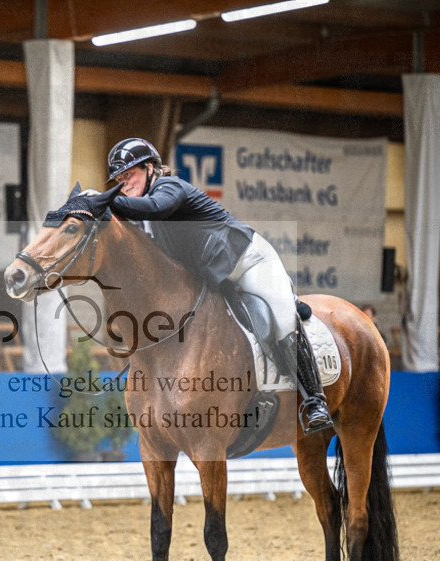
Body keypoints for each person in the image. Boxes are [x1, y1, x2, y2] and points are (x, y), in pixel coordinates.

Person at [105, 137, 332, 433]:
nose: (123, 184)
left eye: (128, 175)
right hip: (216, 277)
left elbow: (155, 207)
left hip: (248, 261)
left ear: (150, 169)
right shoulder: (139, 215)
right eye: (118, 180)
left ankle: (314, 401)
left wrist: (104, 199)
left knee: (280, 321)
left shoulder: (169, 188)